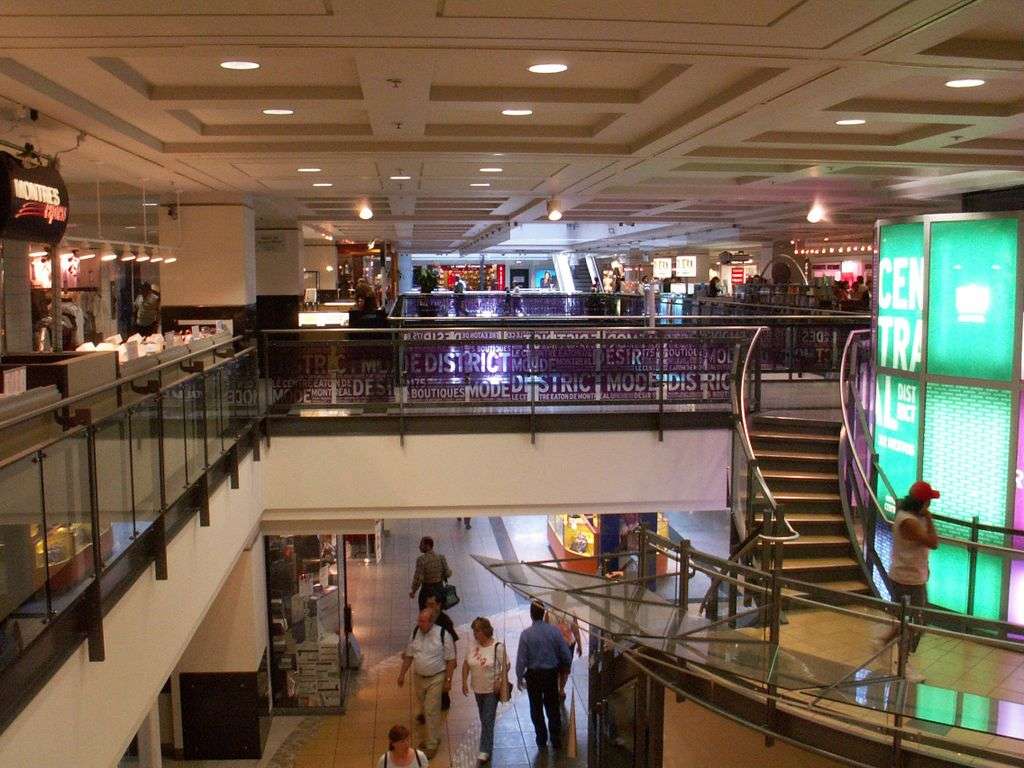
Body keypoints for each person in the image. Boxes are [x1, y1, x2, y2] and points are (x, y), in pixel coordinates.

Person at [881, 481, 940, 682]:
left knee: (913, 621)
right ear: (921, 503)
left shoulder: (912, 517)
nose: (930, 505)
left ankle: (892, 650)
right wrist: (929, 519)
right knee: (911, 622)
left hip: (914, 578)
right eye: (928, 501)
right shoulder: (908, 521)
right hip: (906, 580)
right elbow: (933, 542)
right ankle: (901, 663)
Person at [397, 609, 456, 758]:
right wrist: (402, 674)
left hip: (436, 677)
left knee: (431, 709)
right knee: (425, 708)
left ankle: (432, 743)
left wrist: (448, 680)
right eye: (419, 620)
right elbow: (409, 655)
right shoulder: (415, 633)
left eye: (423, 621)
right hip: (419, 677)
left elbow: (451, 660)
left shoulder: (443, 635)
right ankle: (433, 736)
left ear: (431, 622)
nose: (420, 624)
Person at [516, 601, 572, 749]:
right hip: (550, 675)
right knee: (552, 706)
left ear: (531, 615)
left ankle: (541, 738)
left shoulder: (526, 635)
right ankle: (555, 738)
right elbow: (566, 654)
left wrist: (519, 677)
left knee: (536, 707)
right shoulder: (554, 632)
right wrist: (566, 666)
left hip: (533, 676)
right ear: (543, 613)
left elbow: (521, 659)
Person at [462, 617, 509, 765]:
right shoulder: (472, 646)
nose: (475, 634)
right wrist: (464, 681)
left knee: (488, 719)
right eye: (474, 631)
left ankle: (485, 750)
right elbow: (466, 664)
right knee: (484, 718)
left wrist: (499, 680)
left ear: (485, 631)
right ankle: (487, 743)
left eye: (477, 631)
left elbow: (506, 665)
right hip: (478, 689)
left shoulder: (497, 647)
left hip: (491, 691)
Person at [424, 594, 459, 711]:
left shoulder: (445, 621)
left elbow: (452, 640)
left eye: (432, 604)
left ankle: (442, 704)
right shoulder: (425, 618)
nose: (428, 607)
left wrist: (454, 659)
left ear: (438, 605)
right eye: (427, 604)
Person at [545, 609, 582, 698]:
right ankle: (561, 689)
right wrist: (579, 644)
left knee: (556, 668)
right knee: (565, 669)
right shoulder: (571, 613)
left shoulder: (549, 613)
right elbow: (575, 630)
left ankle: (556, 687)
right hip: (568, 645)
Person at [410, 536, 451, 609]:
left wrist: (413, 591)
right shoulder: (441, 557)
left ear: (428, 546)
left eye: (421, 544)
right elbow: (448, 573)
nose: (419, 547)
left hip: (427, 591)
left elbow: (418, 578)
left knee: (425, 613)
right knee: (437, 613)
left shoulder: (421, 560)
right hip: (439, 590)